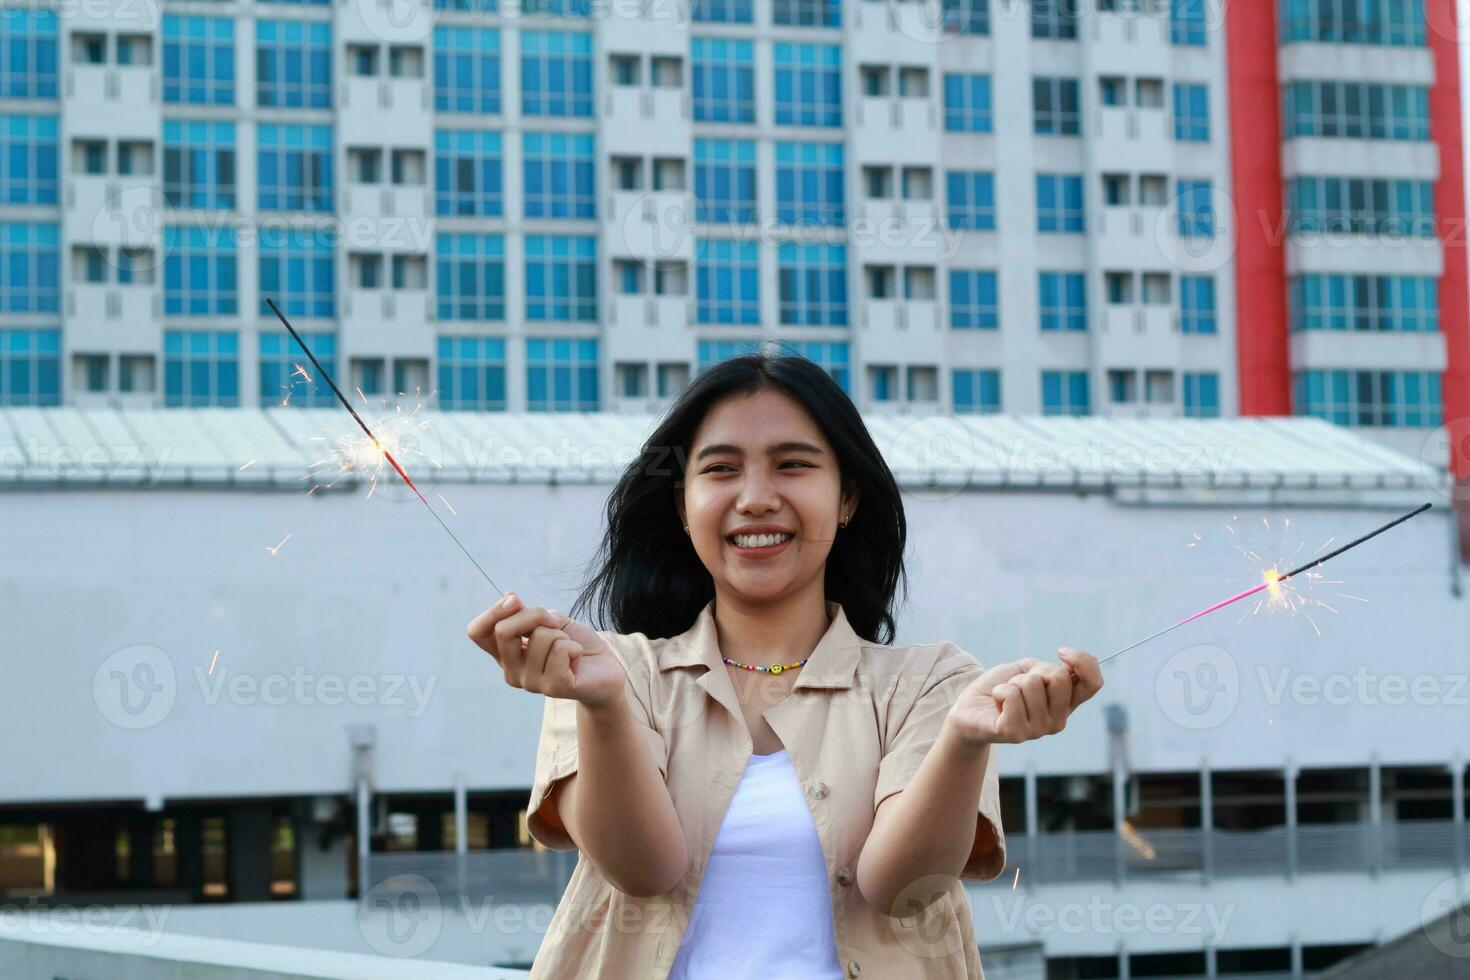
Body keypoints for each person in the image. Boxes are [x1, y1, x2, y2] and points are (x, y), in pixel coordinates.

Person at [466, 351, 1103, 979]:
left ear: (847, 497)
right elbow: (642, 870)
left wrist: (965, 740)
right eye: (720, 470)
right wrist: (602, 706)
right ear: (683, 508)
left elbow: (903, 889)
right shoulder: (611, 673)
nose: (756, 498)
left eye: (793, 465)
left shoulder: (930, 684)